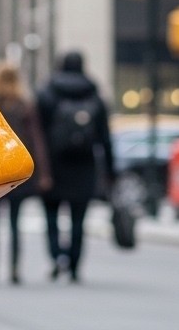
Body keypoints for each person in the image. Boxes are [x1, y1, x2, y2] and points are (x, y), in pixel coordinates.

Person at [35, 50, 114, 283]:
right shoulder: (95, 96)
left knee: (51, 217)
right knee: (78, 220)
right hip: (84, 166)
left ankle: (57, 256)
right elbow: (105, 138)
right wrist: (110, 171)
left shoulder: (47, 94)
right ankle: (75, 264)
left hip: (53, 166)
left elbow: (38, 134)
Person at [0, 60, 51, 284]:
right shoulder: (24, 104)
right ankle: (14, 269)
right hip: (17, 171)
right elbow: (36, 141)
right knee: (14, 222)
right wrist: (43, 173)